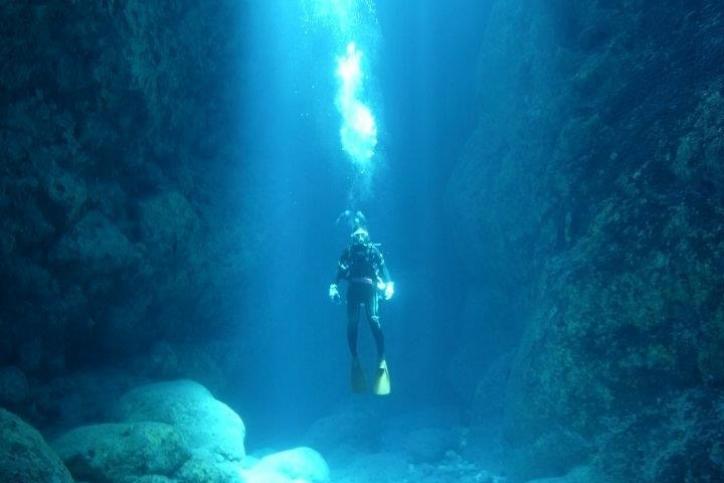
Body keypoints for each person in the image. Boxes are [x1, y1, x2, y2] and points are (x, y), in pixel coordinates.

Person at [329, 226, 394, 395]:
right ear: (352, 237)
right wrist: (333, 287)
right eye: (357, 236)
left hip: (368, 290)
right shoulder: (348, 252)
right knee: (353, 323)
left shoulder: (372, 251)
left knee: (373, 320)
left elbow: (383, 269)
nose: (359, 239)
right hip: (357, 290)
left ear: (367, 236)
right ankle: (357, 358)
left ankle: (379, 357)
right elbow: (338, 272)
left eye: (362, 236)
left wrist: (389, 284)